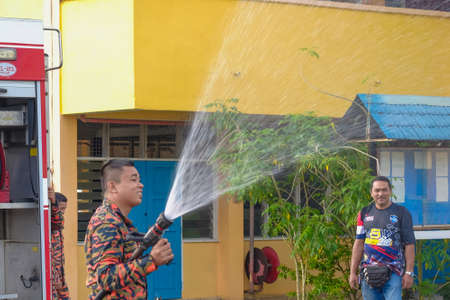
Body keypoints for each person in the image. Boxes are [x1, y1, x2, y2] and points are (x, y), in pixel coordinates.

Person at [85, 159, 174, 300]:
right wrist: (152, 261)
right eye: (134, 180)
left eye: (139, 180)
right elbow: (106, 277)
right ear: (113, 187)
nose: (141, 185)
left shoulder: (120, 222)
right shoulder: (107, 222)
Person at [349, 176, 416, 300]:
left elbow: (410, 244)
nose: (381, 194)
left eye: (384, 190)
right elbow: (358, 243)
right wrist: (352, 273)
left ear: (390, 191)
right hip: (368, 273)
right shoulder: (364, 213)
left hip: (394, 273)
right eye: (377, 190)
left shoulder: (402, 213)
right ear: (371, 193)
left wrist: (409, 272)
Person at [49, 188, 70, 299]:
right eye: (61, 209)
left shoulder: (56, 225)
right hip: (53, 276)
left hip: (60, 274)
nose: (63, 212)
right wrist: (53, 274)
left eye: (64, 209)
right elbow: (58, 220)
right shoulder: (51, 223)